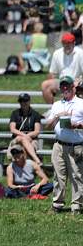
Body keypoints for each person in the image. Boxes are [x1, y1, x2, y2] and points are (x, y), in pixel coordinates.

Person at [45, 75, 83, 214]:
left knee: (76, 176)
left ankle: (76, 206)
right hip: (59, 145)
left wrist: (78, 125)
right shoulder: (56, 105)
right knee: (58, 176)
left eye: (67, 85)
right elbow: (48, 126)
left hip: (76, 145)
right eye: (62, 86)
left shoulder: (81, 103)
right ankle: (57, 204)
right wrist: (57, 116)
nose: (65, 88)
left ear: (73, 87)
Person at [41, 32, 83, 104]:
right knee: (45, 85)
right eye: (64, 43)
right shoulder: (57, 53)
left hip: (77, 82)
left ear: (74, 43)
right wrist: (51, 81)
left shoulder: (80, 53)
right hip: (62, 82)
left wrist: (79, 80)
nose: (66, 45)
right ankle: (53, 109)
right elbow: (52, 73)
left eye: (69, 43)